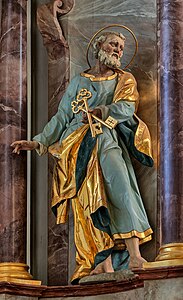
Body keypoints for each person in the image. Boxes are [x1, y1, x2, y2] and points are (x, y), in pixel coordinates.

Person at [11, 31, 153, 283]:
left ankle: (134, 255)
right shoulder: (78, 81)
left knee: (121, 189)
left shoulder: (124, 79)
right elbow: (62, 116)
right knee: (88, 203)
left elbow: (127, 106)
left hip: (105, 139)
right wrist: (38, 142)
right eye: (113, 44)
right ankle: (102, 262)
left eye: (121, 47)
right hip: (75, 148)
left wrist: (102, 109)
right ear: (99, 44)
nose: (118, 50)